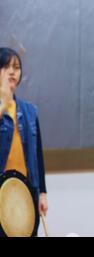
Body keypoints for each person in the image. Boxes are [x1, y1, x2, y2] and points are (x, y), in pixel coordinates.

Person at [0, 47, 48, 236]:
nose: (12, 71)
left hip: (26, 190)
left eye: (16, 67)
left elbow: (38, 155)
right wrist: (3, 103)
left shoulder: (29, 111)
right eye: (5, 66)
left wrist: (42, 193)